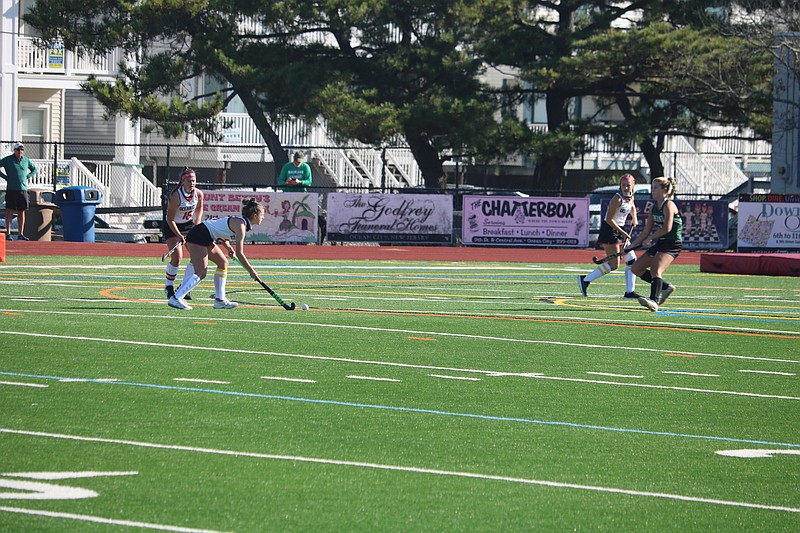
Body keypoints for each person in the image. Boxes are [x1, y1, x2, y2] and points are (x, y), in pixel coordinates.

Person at [168, 198, 265, 310]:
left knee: (223, 263)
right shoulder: (241, 226)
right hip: (199, 235)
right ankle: (176, 298)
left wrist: (228, 247)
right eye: (262, 214)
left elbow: (221, 231)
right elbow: (240, 253)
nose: (263, 217)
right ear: (255, 215)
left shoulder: (241, 223)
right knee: (201, 272)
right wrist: (251, 271)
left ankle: (220, 300)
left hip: (206, 236)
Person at [578, 174, 640, 299]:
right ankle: (585, 280)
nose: (626, 188)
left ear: (633, 186)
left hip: (620, 230)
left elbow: (632, 207)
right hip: (610, 230)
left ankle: (629, 292)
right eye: (623, 185)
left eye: (628, 185)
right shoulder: (617, 199)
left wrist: (635, 218)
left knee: (631, 260)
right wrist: (623, 233)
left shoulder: (630, 197)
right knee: (614, 265)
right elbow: (610, 219)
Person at [626, 176, 682, 312]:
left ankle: (653, 301)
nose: (653, 191)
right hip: (661, 242)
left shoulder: (669, 205)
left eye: (656, 188)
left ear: (665, 190)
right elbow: (646, 231)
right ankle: (665, 287)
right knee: (636, 268)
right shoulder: (654, 208)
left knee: (656, 270)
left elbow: (667, 228)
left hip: (672, 243)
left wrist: (651, 238)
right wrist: (631, 246)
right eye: (652, 188)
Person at [163, 167, 204, 299]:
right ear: (182, 181)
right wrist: (179, 235)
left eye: (194, 181)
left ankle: (184, 286)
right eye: (189, 181)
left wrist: (197, 222)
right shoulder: (176, 196)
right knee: (177, 257)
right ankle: (169, 286)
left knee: (196, 256)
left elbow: (199, 208)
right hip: (173, 226)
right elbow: (169, 219)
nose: (192, 183)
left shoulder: (198, 194)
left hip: (188, 226)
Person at [0, 142, 37, 240]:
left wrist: (28, 176)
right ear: (14, 150)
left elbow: (34, 169)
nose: (20, 151)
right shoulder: (8, 160)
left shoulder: (26, 160)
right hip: (12, 189)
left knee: (22, 211)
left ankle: (20, 234)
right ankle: (8, 234)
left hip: (23, 190)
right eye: (18, 149)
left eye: (22, 150)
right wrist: (5, 177)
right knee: (9, 211)